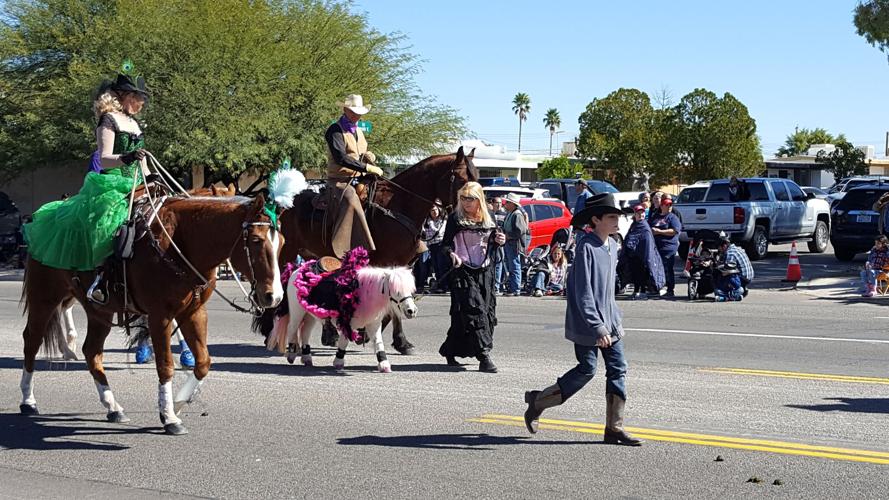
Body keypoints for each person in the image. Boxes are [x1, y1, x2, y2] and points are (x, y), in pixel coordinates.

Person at [522, 193, 643, 446]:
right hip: (588, 324)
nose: (617, 221)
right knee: (587, 370)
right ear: (596, 219)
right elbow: (582, 292)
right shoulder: (586, 248)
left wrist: (613, 320)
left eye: (618, 217)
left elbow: (607, 290)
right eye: (612, 217)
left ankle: (614, 429)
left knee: (618, 369)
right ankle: (538, 401)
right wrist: (597, 326)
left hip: (611, 323)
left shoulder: (612, 245)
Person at [23, 70, 151, 284]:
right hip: (112, 184)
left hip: (137, 182)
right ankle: (101, 277)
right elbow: (105, 158)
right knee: (109, 223)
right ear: (127, 96)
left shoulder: (134, 124)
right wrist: (127, 158)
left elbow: (143, 161)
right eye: (140, 98)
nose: (142, 103)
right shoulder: (108, 120)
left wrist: (152, 177)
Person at [439, 182, 506, 372]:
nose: (466, 203)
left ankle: (451, 350)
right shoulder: (455, 218)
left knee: (485, 310)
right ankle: (484, 355)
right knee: (473, 310)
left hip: (485, 270)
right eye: (463, 198)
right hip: (462, 270)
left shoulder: (490, 216)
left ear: (480, 200)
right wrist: (451, 255)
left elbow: (494, 239)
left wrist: (500, 240)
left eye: (470, 199)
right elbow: (445, 245)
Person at [324, 94, 383, 257]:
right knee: (350, 198)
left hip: (360, 178)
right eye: (353, 112)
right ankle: (345, 248)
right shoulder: (334, 130)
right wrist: (367, 167)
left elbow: (360, 153)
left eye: (359, 113)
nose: (357, 116)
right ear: (345, 110)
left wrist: (368, 156)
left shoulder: (359, 131)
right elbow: (341, 158)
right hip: (339, 181)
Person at [618, 204, 665, 299]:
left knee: (642, 274)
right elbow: (629, 238)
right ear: (634, 214)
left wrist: (641, 251)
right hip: (633, 256)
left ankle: (643, 291)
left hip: (643, 256)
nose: (640, 215)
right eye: (638, 213)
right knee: (634, 274)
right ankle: (636, 290)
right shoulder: (634, 225)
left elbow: (647, 241)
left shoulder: (644, 226)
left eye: (642, 213)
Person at [649, 196, 682, 297]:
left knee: (667, 268)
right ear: (662, 205)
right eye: (666, 205)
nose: (668, 207)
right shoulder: (655, 217)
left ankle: (670, 289)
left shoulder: (672, 217)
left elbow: (675, 231)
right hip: (655, 247)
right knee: (656, 268)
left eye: (670, 205)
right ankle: (656, 287)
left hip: (668, 247)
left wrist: (659, 231)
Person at [500, 193, 529, 296]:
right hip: (509, 243)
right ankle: (512, 287)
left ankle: (515, 289)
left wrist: (508, 236)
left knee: (515, 266)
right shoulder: (510, 214)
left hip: (514, 244)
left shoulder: (517, 214)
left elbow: (520, 231)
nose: (505, 204)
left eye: (507, 202)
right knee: (511, 266)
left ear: (512, 204)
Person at [715, 234, 755, 301]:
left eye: (719, 247)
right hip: (749, 276)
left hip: (742, 278)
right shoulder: (737, 248)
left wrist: (716, 266)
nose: (718, 249)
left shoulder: (730, 253)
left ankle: (736, 292)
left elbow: (726, 269)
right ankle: (740, 289)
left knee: (720, 280)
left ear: (724, 246)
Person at [491, 197, 508, 293]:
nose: (499, 205)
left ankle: (497, 286)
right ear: (492, 203)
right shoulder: (489, 214)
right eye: (497, 203)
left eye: (501, 203)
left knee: (499, 263)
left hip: (501, 242)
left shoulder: (504, 214)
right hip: (490, 242)